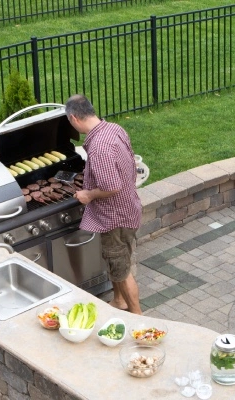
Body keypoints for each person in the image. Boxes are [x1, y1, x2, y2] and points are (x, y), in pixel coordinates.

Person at [65, 94, 144, 315]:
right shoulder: (114, 129)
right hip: (129, 208)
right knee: (116, 260)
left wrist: (88, 195)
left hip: (115, 217)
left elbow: (112, 186)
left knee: (121, 269)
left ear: (74, 118)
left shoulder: (99, 147)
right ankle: (119, 301)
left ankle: (139, 318)